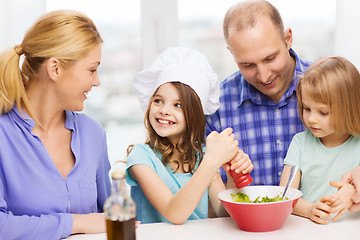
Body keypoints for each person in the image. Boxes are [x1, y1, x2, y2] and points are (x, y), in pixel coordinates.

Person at [0, 10, 111, 239]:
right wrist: (75, 223)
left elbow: (108, 216)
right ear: (55, 68)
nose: (96, 81)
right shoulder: (3, 135)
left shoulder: (93, 134)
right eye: (91, 70)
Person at [126, 47, 253, 224]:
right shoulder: (141, 157)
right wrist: (212, 160)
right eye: (158, 100)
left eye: (177, 105)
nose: (164, 110)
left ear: (194, 115)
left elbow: (223, 215)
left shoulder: (202, 158)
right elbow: (174, 213)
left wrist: (232, 175)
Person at [206, 0, 311, 186]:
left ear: (288, 39)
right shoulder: (216, 106)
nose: (264, 76)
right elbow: (209, 200)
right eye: (248, 65)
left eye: (270, 58)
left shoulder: (331, 88)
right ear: (231, 53)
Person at [279, 56, 360, 224]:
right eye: (307, 108)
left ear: (349, 109)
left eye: (323, 112)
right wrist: (309, 210)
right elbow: (286, 195)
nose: (311, 119)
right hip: (310, 230)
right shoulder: (300, 143)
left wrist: (352, 193)